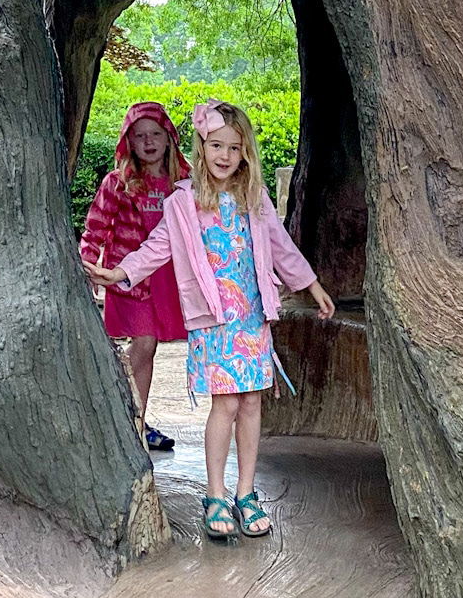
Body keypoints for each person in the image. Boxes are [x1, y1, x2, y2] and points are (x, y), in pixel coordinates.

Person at [89, 99, 334, 542]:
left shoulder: (252, 197)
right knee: (225, 405)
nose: (224, 156)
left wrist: (311, 284)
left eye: (234, 148)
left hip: (252, 316)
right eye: (216, 145)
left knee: (252, 402)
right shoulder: (183, 201)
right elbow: (157, 246)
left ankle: (246, 493)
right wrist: (121, 272)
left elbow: (281, 247)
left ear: (245, 153)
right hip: (213, 319)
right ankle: (216, 493)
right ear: (201, 147)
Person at [79, 102, 190, 453]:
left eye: (156, 133)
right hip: (125, 276)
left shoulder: (183, 183)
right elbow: (96, 227)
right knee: (144, 344)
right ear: (129, 141)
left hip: (166, 280)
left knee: (149, 348)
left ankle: (135, 419)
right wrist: (87, 267)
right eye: (139, 136)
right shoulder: (117, 182)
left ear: (169, 138)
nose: (149, 142)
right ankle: (130, 421)